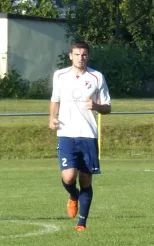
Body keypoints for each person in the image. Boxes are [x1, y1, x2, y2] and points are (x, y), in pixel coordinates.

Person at [49, 40, 111, 231]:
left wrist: (97, 106)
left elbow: (108, 107)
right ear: (70, 56)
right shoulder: (59, 75)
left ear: (88, 56)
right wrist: (51, 117)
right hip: (66, 134)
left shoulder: (96, 77)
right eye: (77, 54)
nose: (80, 58)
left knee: (85, 180)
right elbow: (55, 99)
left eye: (84, 54)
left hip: (88, 135)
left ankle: (81, 223)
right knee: (68, 177)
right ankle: (73, 196)